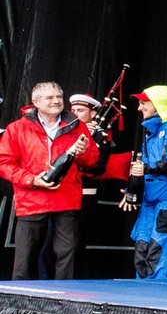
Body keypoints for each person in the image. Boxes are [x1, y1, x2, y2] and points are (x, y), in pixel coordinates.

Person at [0, 82, 99, 280]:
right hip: (32, 200)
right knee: (25, 258)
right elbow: (3, 163)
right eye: (49, 98)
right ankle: (20, 304)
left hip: (66, 199)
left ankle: (66, 301)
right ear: (35, 102)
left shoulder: (77, 125)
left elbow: (93, 160)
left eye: (58, 97)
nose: (56, 101)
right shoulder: (17, 128)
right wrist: (32, 180)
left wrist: (82, 153)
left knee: (66, 255)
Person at [123, 85, 167, 280]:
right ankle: (140, 295)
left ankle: (158, 297)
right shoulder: (151, 131)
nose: (139, 108)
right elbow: (144, 166)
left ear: (158, 104)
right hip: (149, 198)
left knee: (159, 246)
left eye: (143, 103)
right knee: (142, 245)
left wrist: (148, 168)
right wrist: (131, 189)